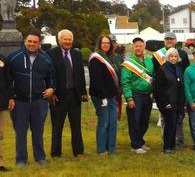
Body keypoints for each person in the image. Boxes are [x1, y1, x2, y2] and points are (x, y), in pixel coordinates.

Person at [6, 31, 55, 166]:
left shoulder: (46, 59)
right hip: (19, 101)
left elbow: (51, 78)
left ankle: (40, 157)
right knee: (21, 132)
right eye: (29, 41)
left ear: (39, 44)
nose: (32, 44)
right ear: (25, 42)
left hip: (39, 101)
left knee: (38, 131)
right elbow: (7, 79)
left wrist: (51, 88)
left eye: (35, 42)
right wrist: (10, 97)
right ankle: (21, 159)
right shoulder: (13, 57)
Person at [48, 29, 88, 158]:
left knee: (76, 125)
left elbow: (80, 75)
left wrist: (83, 92)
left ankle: (78, 151)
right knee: (57, 126)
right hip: (58, 96)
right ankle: (56, 153)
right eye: (65, 39)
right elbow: (48, 75)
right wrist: (52, 92)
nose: (67, 41)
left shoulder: (76, 54)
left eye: (69, 39)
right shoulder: (51, 54)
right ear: (59, 40)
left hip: (74, 96)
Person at [152, 32, 190, 148]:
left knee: (179, 118)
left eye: (171, 39)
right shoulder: (157, 56)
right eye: (167, 39)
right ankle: (167, 141)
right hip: (166, 93)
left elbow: (186, 70)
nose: (169, 41)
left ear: (176, 41)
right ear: (164, 41)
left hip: (179, 90)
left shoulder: (183, 54)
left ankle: (179, 141)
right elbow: (155, 75)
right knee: (166, 119)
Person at [121, 37, 154, 154]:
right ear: (133, 48)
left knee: (144, 121)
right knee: (135, 121)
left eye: (140, 45)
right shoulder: (129, 63)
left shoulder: (149, 60)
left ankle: (140, 141)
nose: (138, 48)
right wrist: (129, 98)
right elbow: (125, 82)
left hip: (147, 95)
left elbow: (153, 76)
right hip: (135, 95)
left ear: (144, 47)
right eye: (136, 46)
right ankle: (135, 146)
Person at [88, 35, 120, 155]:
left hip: (112, 96)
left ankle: (111, 148)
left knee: (113, 122)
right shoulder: (95, 58)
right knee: (104, 122)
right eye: (103, 43)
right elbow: (96, 80)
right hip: (101, 96)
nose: (106, 45)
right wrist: (103, 96)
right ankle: (102, 149)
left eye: (108, 43)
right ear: (99, 44)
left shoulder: (111, 57)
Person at [154, 48, 185, 153]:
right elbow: (159, 89)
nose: (173, 58)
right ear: (167, 57)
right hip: (167, 102)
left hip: (177, 102)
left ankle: (172, 146)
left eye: (175, 56)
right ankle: (167, 147)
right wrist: (165, 103)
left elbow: (181, 86)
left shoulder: (178, 69)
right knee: (169, 124)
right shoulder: (162, 70)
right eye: (171, 56)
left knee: (175, 123)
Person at [0, 52, 15, 171]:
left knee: (0, 134)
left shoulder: (3, 59)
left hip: (1, 102)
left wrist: (10, 97)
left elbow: (8, 80)